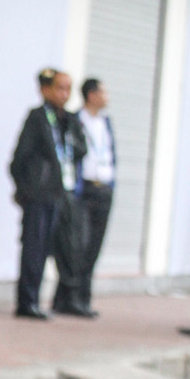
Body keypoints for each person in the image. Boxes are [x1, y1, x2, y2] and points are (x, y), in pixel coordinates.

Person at [9, 68, 87, 319]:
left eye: (68, 89)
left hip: (60, 193)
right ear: (45, 89)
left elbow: (80, 150)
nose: (65, 94)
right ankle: (27, 301)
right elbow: (19, 159)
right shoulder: (38, 117)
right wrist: (26, 190)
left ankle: (62, 298)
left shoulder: (68, 120)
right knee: (34, 248)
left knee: (61, 247)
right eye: (60, 88)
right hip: (40, 195)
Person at [76, 77, 116, 318]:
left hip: (104, 189)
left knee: (94, 247)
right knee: (78, 243)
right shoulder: (76, 120)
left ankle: (84, 298)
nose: (107, 96)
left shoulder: (105, 123)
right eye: (103, 91)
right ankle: (69, 296)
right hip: (85, 190)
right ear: (91, 95)